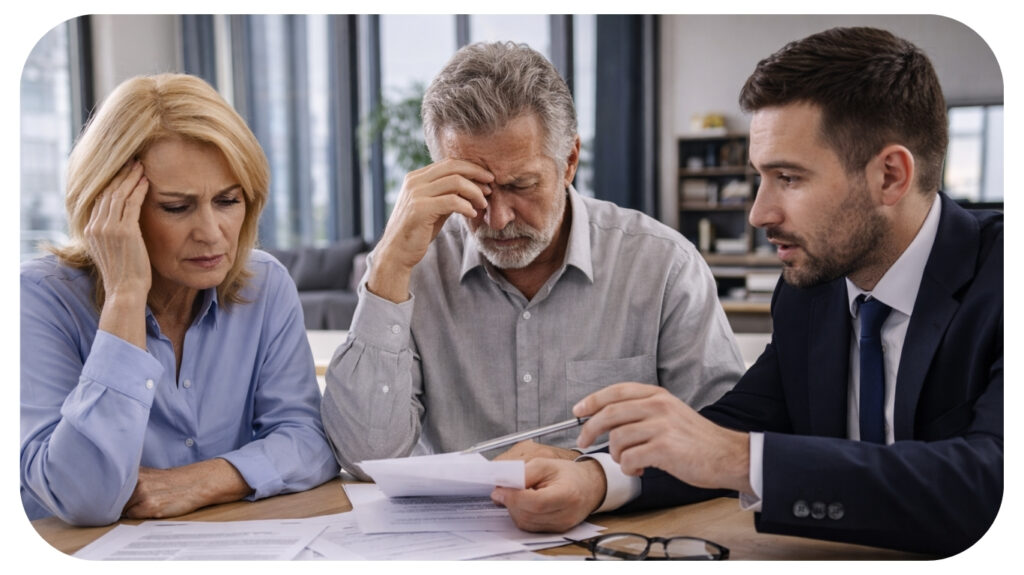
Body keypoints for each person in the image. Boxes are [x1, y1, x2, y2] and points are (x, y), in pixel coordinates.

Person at [492, 27, 1002, 557]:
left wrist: (740, 459)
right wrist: (595, 479)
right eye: (760, 176)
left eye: (789, 177)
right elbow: (734, 427)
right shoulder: (811, 294)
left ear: (891, 177)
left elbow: (990, 481)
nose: (759, 213)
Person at [320, 41, 744, 486]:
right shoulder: (411, 269)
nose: (498, 219)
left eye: (521, 185)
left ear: (570, 162)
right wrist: (387, 265)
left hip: (621, 536)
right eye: (474, 190)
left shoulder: (663, 266)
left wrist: (600, 477)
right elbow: (366, 459)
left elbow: (721, 443)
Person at [20, 73, 339, 526]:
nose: (212, 233)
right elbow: (83, 499)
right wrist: (126, 297)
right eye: (177, 206)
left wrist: (207, 479)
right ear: (109, 208)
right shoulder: (37, 299)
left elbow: (309, 440)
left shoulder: (264, 286)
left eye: (227, 201)